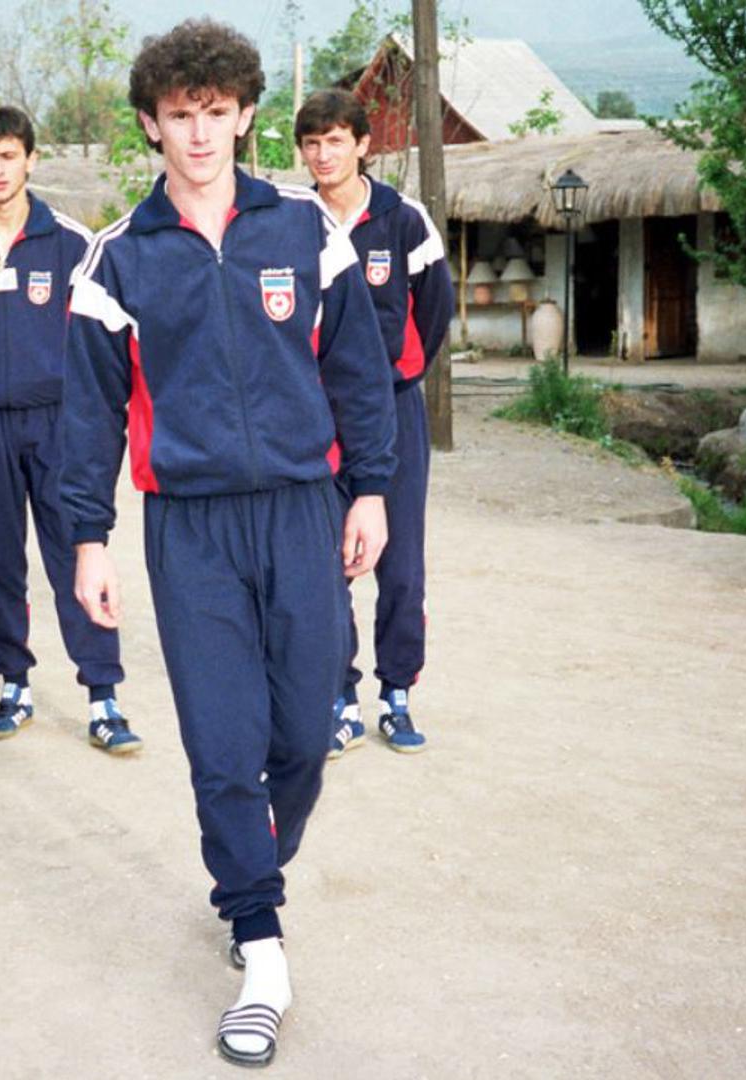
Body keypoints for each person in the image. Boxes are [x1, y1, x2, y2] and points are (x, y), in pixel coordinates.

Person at [62, 19, 397, 1067]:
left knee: (301, 734)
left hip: (302, 510)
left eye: (216, 113)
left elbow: (358, 370)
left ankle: (255, 864)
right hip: (190, 527)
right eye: (180, 116)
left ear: (245, 114)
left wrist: (370, 491)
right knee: (220, 744)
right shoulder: (117, 260)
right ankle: (260, 948)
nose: (199, 134)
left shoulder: (304, 231)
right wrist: (86, 540)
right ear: (150, 125)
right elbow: (88, 414)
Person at [0, 104, 139, 754]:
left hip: (56, 423)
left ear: (31, 160)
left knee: (77, 552)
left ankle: (103, 696)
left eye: (9, 156)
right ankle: (13, 684)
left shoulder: (70, 242)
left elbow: (97, 346)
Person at [296, 89, 455, 755]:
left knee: (401, 561)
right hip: (317, 416)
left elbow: (434, 312)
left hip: (391, 410)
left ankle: (396, 692)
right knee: (324, 561)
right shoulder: (292, 222)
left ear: (362, 144)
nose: (323, 155)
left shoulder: (403, 221)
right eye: (311, 143)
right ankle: (339, 696)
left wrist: (393, 376)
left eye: (335, 141)